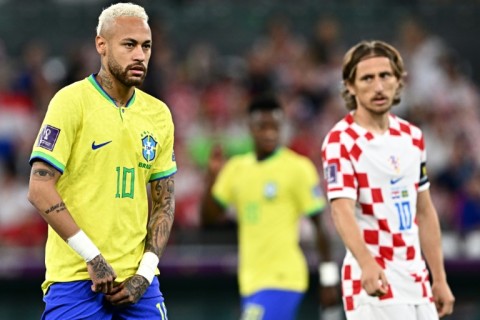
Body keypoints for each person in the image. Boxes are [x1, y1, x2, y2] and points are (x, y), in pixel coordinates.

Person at [27, 3, 176, 319]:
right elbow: (39, 188)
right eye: (129, 45)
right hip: (77, 279)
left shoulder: (159, 115)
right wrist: (92, 257)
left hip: (139, 285)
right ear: (101, 45)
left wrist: (145, 274)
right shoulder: (71, 102)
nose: (140, 55)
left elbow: (164, 203)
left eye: (146, 46)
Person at [321, 40, 455, 319]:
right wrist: (367, 264)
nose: (378, 86)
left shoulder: (412, 137)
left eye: (385, 76)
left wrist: (439, 277)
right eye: (367, 78)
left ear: (398, 80)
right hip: (375, 280)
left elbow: (424, 210)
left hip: (416, 277)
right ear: (350, 86)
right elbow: (341, 209)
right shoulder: (341, 141)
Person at [201, 94, 339, 320]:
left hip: (285, 277)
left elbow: (319, 225)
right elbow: (208, 218)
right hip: (250, 281)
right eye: (262, 126)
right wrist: (211, 178)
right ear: (250, 127)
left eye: (275, 126)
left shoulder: (297, 168)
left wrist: (329, 278)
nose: (270, 132)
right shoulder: (236, 168)